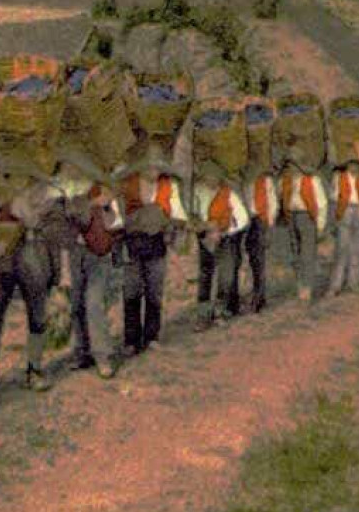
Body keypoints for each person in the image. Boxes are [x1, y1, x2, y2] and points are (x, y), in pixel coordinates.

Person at [0, 158, 64, 394]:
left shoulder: (49, 196)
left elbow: (56, 232)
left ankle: (34, 369)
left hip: (34, 256)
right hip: (4, 259)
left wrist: (31, 220)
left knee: (37, 315)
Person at [58, 152, 124, 379]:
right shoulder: (64, 190)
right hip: (75, 253)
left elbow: (116, 222)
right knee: (76, 304)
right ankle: (82, 352)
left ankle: (102, 356)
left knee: (94, 303)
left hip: (98, 253)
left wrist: (104, 206)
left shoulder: (102, 187)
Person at [119, 150, 190, 356]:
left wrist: (168, 223)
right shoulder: (128, 185)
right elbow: (118, 217)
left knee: (154, 291)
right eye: (150, 167)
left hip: (157, 243)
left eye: (157, 167)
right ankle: (131, 340)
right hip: (132, 244)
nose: (154, 171)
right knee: (131, 292)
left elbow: (178, 214)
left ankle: (151, 336)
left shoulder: (169, 186)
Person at [191, 162, 250, 330]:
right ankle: (203, 315)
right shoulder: (197, 192)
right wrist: (202, 227)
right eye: (207, 177)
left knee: (226, 276)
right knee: (205, 276)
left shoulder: (229, 193)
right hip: (204, 238)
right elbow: (192, 214)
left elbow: (243, 218)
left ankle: (220, 311)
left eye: (214, 177)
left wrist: (224, 230)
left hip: (226, 238)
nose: (211, 181)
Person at [278, 158, 329, 303]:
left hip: (307, 217)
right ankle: (299, 285)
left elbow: (322, 204)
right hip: (292, 217)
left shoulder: (312, 180)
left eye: (293, 167)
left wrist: (320, 225)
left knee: (307, 253)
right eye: (288, 167)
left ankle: (307, 288)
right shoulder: (286, 182)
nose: (291, 170)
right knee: (295, 252)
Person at [327, 148, 359, 296]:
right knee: (341, 249)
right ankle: (335, 285)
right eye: (351, 163)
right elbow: (334, 198)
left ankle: (354, 282)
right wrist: (334, 218)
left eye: (357, 163)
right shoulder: (338, 176)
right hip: (345, 211)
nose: (354, 167)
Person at [242, 161, 280, 313]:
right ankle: (254, 294)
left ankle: (259, 298)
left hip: (260, 221)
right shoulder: (244, 182)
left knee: (259, 261)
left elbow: (272, 203)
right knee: (251, 259)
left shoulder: (266, 181)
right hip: (245, 221)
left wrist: (269, 225)